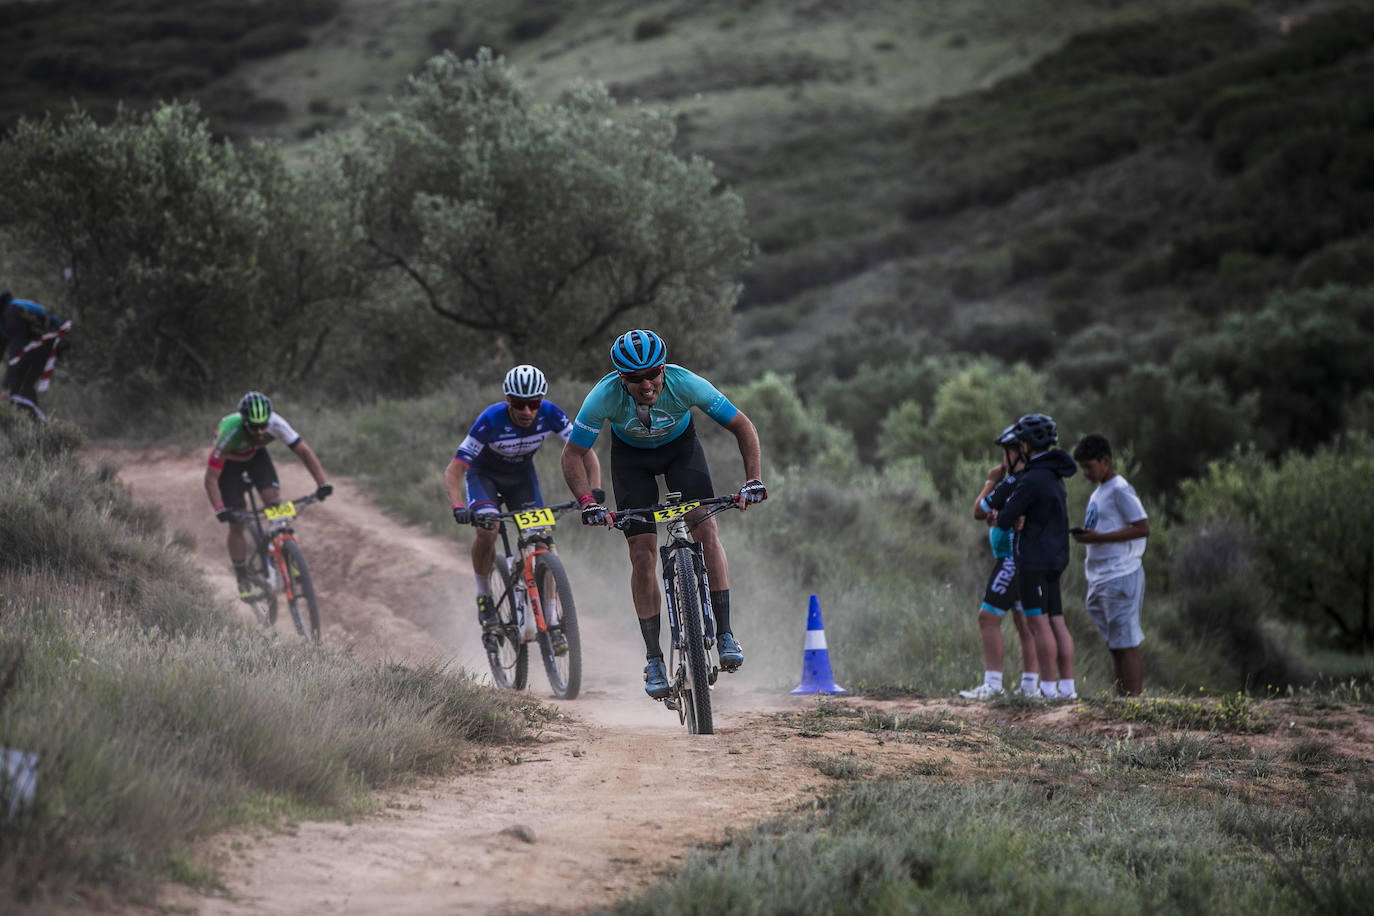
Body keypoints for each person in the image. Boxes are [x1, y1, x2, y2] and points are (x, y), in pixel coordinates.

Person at [560, 329, 766, 699]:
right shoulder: (603, 397)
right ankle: (654, 657)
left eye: (653, 373)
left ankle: (724, 633)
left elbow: (743, 426)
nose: (647, 384)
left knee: (705, 529)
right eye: (635, 379)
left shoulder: (687, 383)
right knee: (641, 553)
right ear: (621, 378)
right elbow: (572, 455)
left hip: (680, 451)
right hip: (631, 461)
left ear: (663, 370)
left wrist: (753, 480)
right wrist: (588, 502)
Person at [445, 365, 601, 654]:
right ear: (508, 400)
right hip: (484, 478)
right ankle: (484, 597)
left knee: (541, 538)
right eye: (519, 404)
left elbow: (585, 452)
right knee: (487, 530)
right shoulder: (490, 419)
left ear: (541, 401)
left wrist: (593, 491)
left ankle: (552, 620)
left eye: (534, 404)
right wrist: (458, 506)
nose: (527, 411)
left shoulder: (551, 414)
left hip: (521, 479)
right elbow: (455, 469)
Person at [204, 391, 333, 598]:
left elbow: (304, 453)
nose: (260, 431)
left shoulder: (276, 423)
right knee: (237, 523)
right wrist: (220, 509)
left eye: (263, 425)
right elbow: (210, 478)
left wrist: (322, 483)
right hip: (229, 467)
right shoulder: (229, 432)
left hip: (256, 458)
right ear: (245, 422)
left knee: (274, 502)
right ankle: (242, 575)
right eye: (254, 427)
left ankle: (287, 552)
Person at [989, 413, 1079, 699]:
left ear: (1026, 444)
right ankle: (1067, 688)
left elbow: (1004, 520)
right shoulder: (1055, 475)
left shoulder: (1030, 479)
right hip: (1056, 558)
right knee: (1057, 621)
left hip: (1033, 562)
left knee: (1038, 625)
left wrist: (1002, 514)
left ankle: (1047, 690)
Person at [960, 425, 1042, 700]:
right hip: (1020, 559)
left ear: (1019, 453)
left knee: (988, 618)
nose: (1002, 460)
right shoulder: (1024, 481)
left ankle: (993, 685)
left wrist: (990, 481)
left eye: (1005, 454)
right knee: (1023, 621)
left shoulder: (1012, 482)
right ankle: (1030, 687)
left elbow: (977, 509)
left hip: (1011, 560)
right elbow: (986, 513)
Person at [1072, 434, 1150, 696]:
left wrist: (1100, 538)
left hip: (1121, 574)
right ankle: (1122, 700)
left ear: (1105, 461)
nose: (1085, 472)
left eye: (1089, 466)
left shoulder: (1119, 489)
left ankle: (1134, 704)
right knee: (1115, 643)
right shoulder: (1099, 492)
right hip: (1102, 576)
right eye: (1082, 467)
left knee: (1126, 642)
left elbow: (1142, 527)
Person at [1, 293, 70, 420]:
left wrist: (6, 385)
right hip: (39, 344)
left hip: (49, 340)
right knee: (19, 386)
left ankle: (39, 427)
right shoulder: (5, 317)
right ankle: (29, 428)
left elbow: (17, 351)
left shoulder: (12, 313)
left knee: (22, 385)